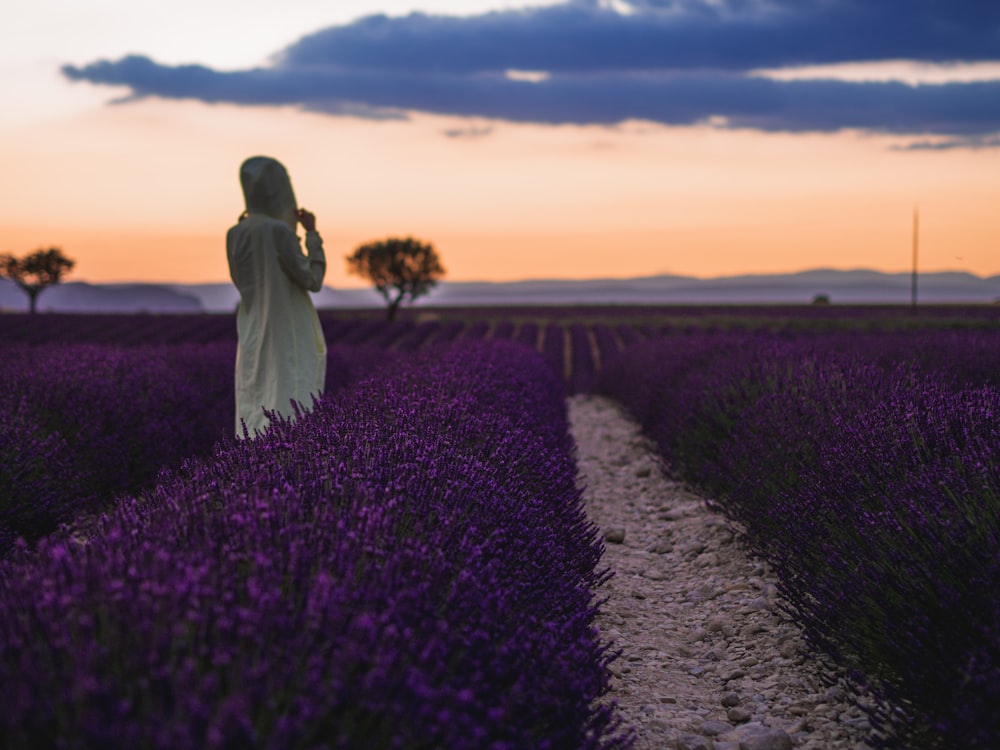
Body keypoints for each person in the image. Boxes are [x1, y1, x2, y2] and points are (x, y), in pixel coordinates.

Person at [226, 156, 327, 438]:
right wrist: (312, 235)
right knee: (289, 397)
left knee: (255, 397)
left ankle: (253, 470)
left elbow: (241, 280)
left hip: (252, 329)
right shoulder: (278, 231)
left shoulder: (234, 234)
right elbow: (312, 280)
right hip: (287, 329)